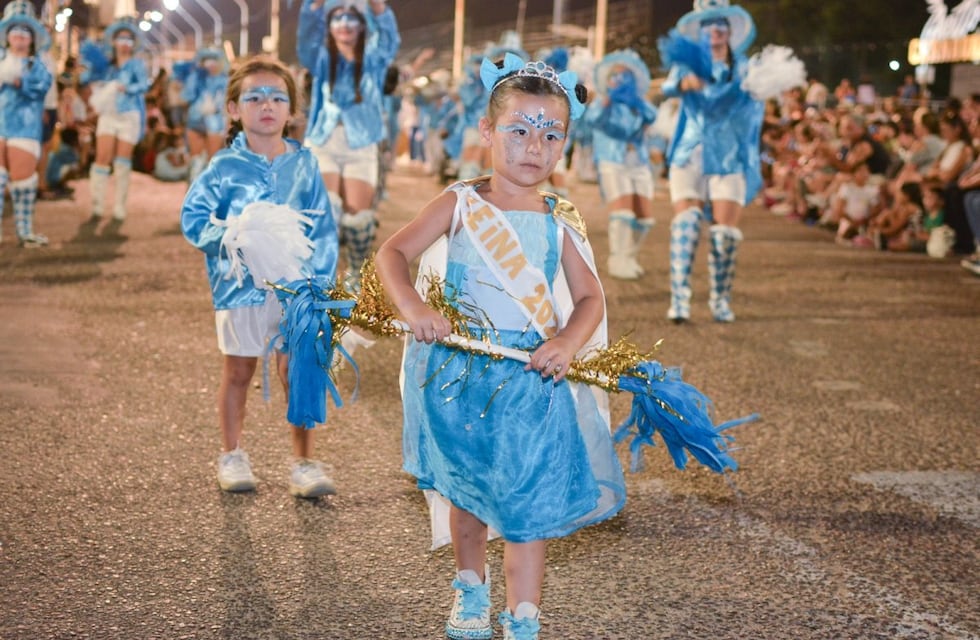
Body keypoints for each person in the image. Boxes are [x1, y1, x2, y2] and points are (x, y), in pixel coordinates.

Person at [375, 55, 625, 640]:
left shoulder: (560, 217)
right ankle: (470, 590)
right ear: (487, 131)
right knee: (467, 493)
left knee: (525, 507)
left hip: (529, 378)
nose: (534, 146)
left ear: (564, 143)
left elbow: (591, 299)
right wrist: (415, 308)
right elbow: (393, 254)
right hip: (459, 374)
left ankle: (524, 619)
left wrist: (566, 340)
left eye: (551, 134)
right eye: (519, 129)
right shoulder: (460, 202)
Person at [180, 57, 339, 498]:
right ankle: (231, 454)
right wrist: (229, 236)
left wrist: (319, 285)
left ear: (291, 112)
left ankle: (303, 462)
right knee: (237, 370)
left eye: (277, 97)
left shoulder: (305, 164)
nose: (265, 105)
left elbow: (323, 227)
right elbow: (193, 218)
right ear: (234, 109)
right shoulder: (221, 167)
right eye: (253, 97)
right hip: (240, 289)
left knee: (300, 370)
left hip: (296, 289)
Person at [662, 0, 764, 323]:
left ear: (730, 31)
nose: (715, 31)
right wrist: (683, 83)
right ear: (700, 31)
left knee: (724, 233)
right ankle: (679, 300)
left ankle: (720, 300)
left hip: (729, 155)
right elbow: (666, 87)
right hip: (689, 152)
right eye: (708, 25)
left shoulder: (745, 67)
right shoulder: (688, 64)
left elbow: (756, 103)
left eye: (721, 25)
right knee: (688, 222)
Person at [297, 0, 401, 287]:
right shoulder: (319, 58)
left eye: (351, 18)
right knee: (326, 209)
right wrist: (316, 5)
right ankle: (321, 274)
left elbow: (390, 37)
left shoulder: (375, 59)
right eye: (337, 18)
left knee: (358, 217)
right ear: (329, 26)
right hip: (324, 140)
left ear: (362, 25)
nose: (344, 23)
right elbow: (306, 34)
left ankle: (356, 274)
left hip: (362, 143)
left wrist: (377, 5)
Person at [585, 49, 658, 280]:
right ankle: (616, 258)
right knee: (623, 211)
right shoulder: (603, 102)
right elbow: (592, 120)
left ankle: (629, 256)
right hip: (611, 160)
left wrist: (637, 100)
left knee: (644, 218)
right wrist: (606, 100)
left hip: (638, 162)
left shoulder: (637, 104)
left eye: (625, 75)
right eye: (615, 75)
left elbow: (652, 116)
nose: (619, 80)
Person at [79, 16, 151, 233]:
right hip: (109, 115)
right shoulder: (106, 65)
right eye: (121, 39)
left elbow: (144, 86)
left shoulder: (137, 64)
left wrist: (127, 88)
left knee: (122, 161)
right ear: (114, 41)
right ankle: (97, 205)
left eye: (129, 40)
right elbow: (87, 80)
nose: (125, 43)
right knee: (102, 158)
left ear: (134, 43)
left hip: (129, 115)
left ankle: (120, 206)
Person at [0, 0, 53, 247]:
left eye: (25, 32)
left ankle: (25, 231)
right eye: (15, 31)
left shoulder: (36, 66)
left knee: (22, 183)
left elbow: (41, 87)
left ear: (32, 38)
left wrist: (20, 81)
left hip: (25, 128)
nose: (19, 36)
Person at [176, 45, 229, 184]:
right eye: (207, 60)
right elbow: (186, 97)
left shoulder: (225, 81)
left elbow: (227, 104)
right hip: (194, 120)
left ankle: (209, 199)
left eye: (214, 59)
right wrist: (193, 77)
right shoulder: (196, 78)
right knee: (195, 162)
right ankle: (193, 197)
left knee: (212, 163)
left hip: (215, 123)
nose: (210, 63)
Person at [43, 126, 81, 198]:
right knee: (74, 167)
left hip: (47, 176)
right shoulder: (66, 149)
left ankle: (59, 185)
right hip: (52, 178)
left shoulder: (61, 146)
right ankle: (58, 186)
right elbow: (78, 162)